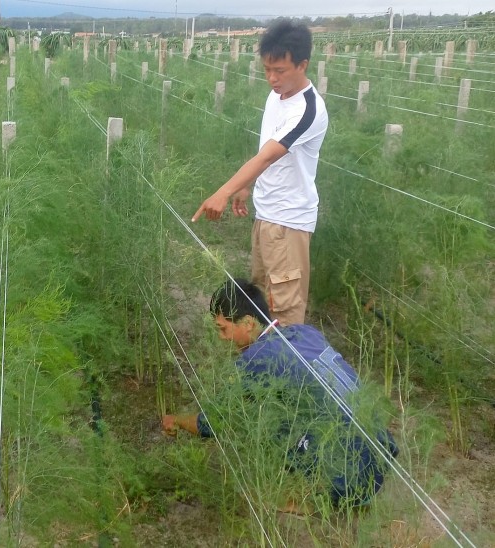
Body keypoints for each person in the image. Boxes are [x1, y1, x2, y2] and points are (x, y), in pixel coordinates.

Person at [162, 279, 398, 510]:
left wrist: (179, 420)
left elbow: (213, 422)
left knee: (261, 418)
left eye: (223, 329)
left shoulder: (258, 358)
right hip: (379, 455)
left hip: (347, 477)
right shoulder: (305, 332)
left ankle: (311, 498)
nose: (222, 337)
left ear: (247, 323)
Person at [192, 19, 329, 326]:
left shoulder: (307, 110)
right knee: (261, 301)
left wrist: (224, 191)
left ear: (303, 64)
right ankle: (263, 367)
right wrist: (246, 186)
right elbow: (265, 149)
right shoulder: (275, 96)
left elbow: (268, 156)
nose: (271, 78)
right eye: (267, 69)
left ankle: (287, 371)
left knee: (285, 312)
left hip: (288, 223)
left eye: (279, 70)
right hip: (265, 216)